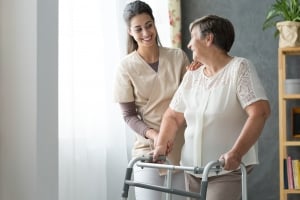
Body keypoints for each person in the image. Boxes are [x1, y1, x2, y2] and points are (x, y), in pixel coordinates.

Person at [153, 15, 271, 200]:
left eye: (193, 37)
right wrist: (161, 144)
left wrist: (236, 153)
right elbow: (173, 116)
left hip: (225, 169)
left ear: (209, 39)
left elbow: (260, 112)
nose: (189, 44)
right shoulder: (193, 75)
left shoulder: (239, 68)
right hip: (191, 169)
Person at [113, 1, 201, 199]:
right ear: (129, 32)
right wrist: (155, 135)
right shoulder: (125, 67)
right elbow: (128, 116)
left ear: (154, 23)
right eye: (138, 29)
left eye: (149, 25)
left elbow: (192, 100)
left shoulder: (178, 57)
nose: (146, 33)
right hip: (147, 150)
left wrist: (198, 75)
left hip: (179, 148)